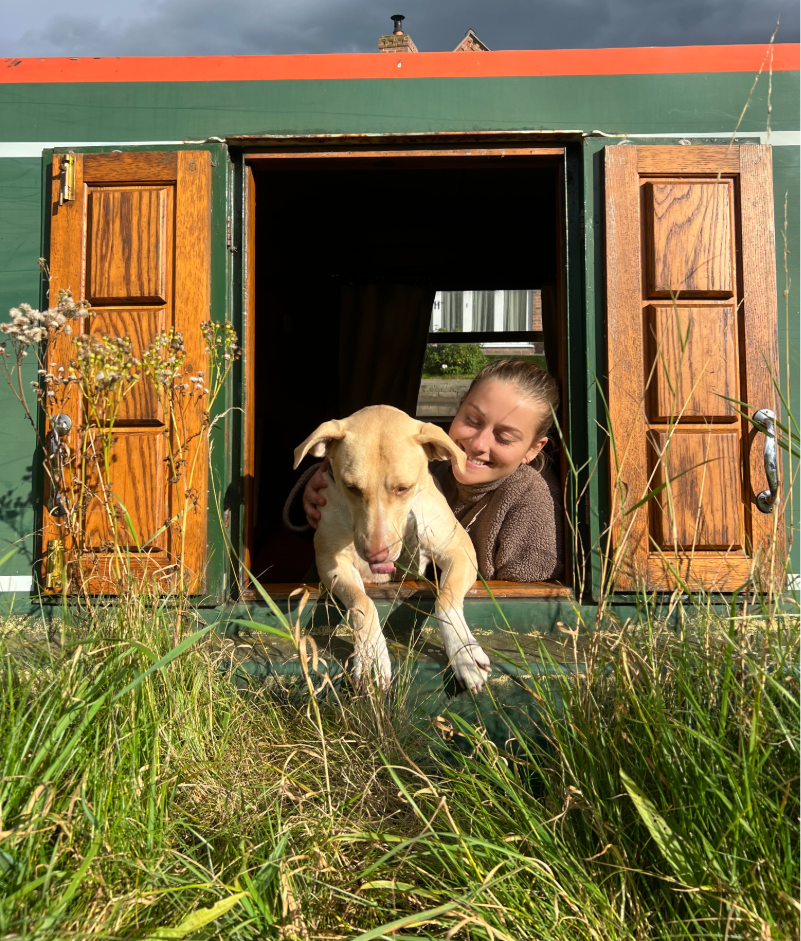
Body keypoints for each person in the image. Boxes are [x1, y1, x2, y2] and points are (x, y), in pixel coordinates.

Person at [289, 358, 564, 583]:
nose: (478, 444)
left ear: (533, 449)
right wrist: (333, 484)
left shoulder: (530, 499)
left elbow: (527, 599)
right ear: (460, 406)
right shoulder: (428, 460)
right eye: (472, 420)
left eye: (504, 438)